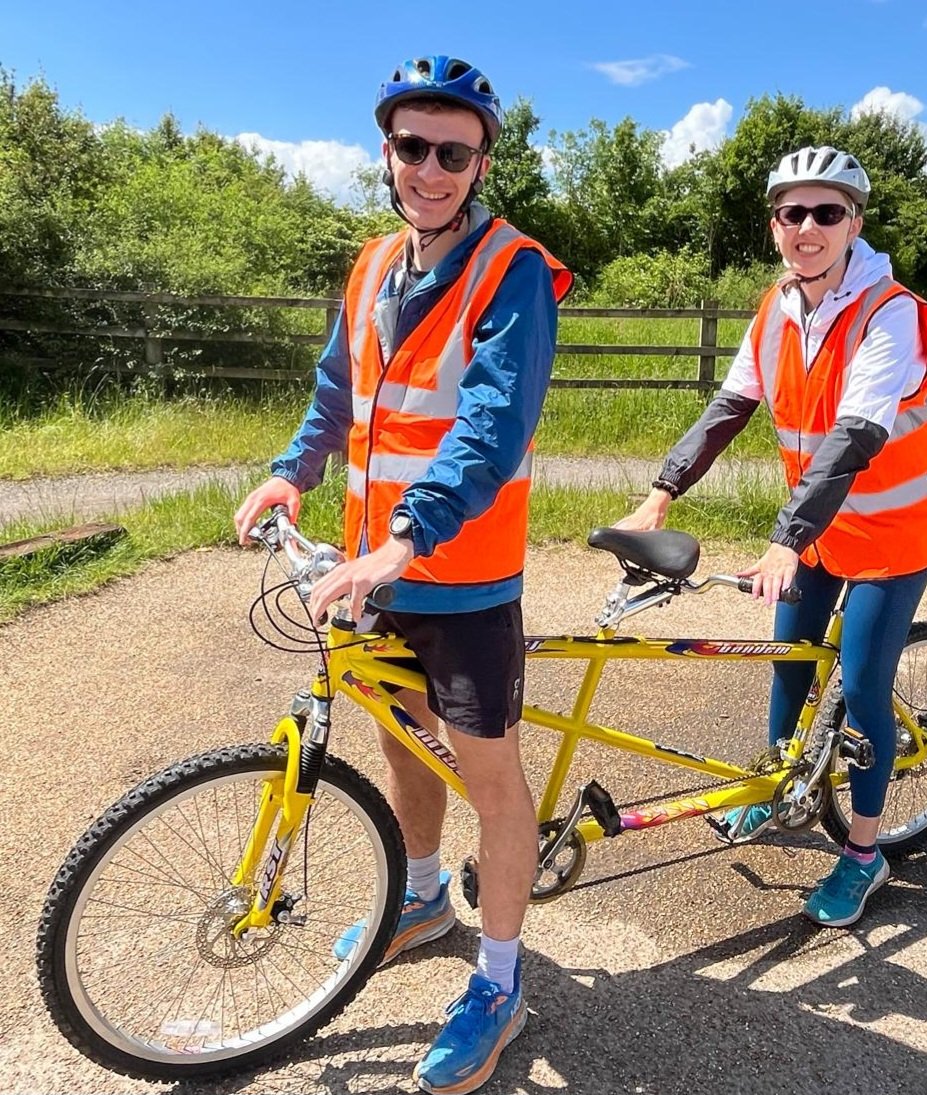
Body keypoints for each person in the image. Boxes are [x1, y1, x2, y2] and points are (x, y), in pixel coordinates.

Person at [234, 55, 572, 1094]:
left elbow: (491, 425)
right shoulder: (374, 262)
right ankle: (421, 897)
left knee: (491, 781)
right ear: (386, 153)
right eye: (412, 146)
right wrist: (293, 470)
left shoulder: (512, 269)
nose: (430, 168)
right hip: (374, 574)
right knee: (399, 742)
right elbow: (338, 390)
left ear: (482, 165)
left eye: (452, 153)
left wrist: (407, 535)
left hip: (461, 579)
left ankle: (501, 981)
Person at [617, 145, 927, 929]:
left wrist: (784, 538)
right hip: (819, 531)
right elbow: (729, 407)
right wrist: (661, 493)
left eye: (826, 212)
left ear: (854, 224)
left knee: (861, 684)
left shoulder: (889, 310)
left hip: (893, 536)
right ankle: (776, 789)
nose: (808, 226)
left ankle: (864, 854)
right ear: (773, 225)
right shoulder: (777, 308)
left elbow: (857, 432)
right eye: (791, 212)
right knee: (788, 658)